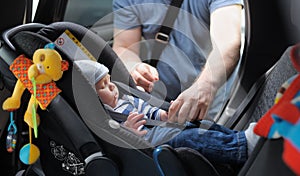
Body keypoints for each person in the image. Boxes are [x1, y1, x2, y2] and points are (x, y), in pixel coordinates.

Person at [74, 60, 259, 165]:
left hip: (162, 127)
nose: (112, 86)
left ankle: (239, 137)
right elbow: (117, 140)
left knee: (200, 124)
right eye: (104, 86)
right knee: (190, 138)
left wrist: (163, 115)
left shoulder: (125, 100)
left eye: (109, 80)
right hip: (150, 141)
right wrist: (128, 131)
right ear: (93, 98)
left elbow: (146, 110)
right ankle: (241, 148)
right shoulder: (105, 118)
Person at [112, 0, 244, 123]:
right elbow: (124, 46)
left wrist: (205, 86)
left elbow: (227, 44)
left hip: (213, 101)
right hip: (162, 100)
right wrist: (134, 67)